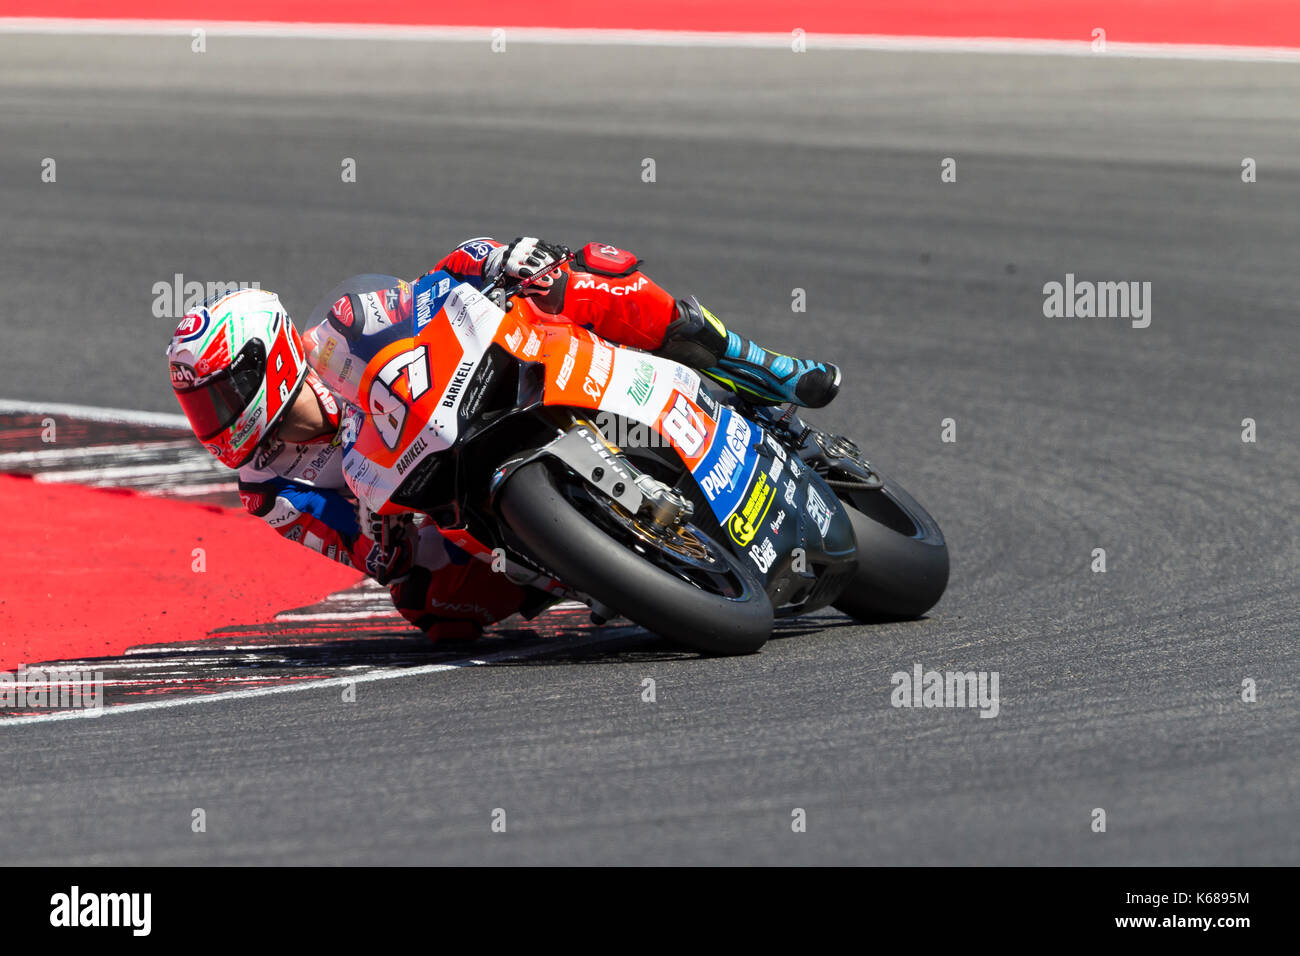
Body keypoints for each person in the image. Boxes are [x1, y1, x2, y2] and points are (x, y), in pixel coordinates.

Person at [164, 237, 841, 640]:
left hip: (466, 393)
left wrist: (497, 259)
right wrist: (385, 547)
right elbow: (357, 549)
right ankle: (598, 567)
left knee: (583, 272)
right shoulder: (268, 489)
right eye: (202, 407)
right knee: (429, 608)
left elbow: (427, 294)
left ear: (266, 358)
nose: (215, 419)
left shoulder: (342, 326)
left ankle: (754, 370)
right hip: (433, 502)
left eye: (219, 395)